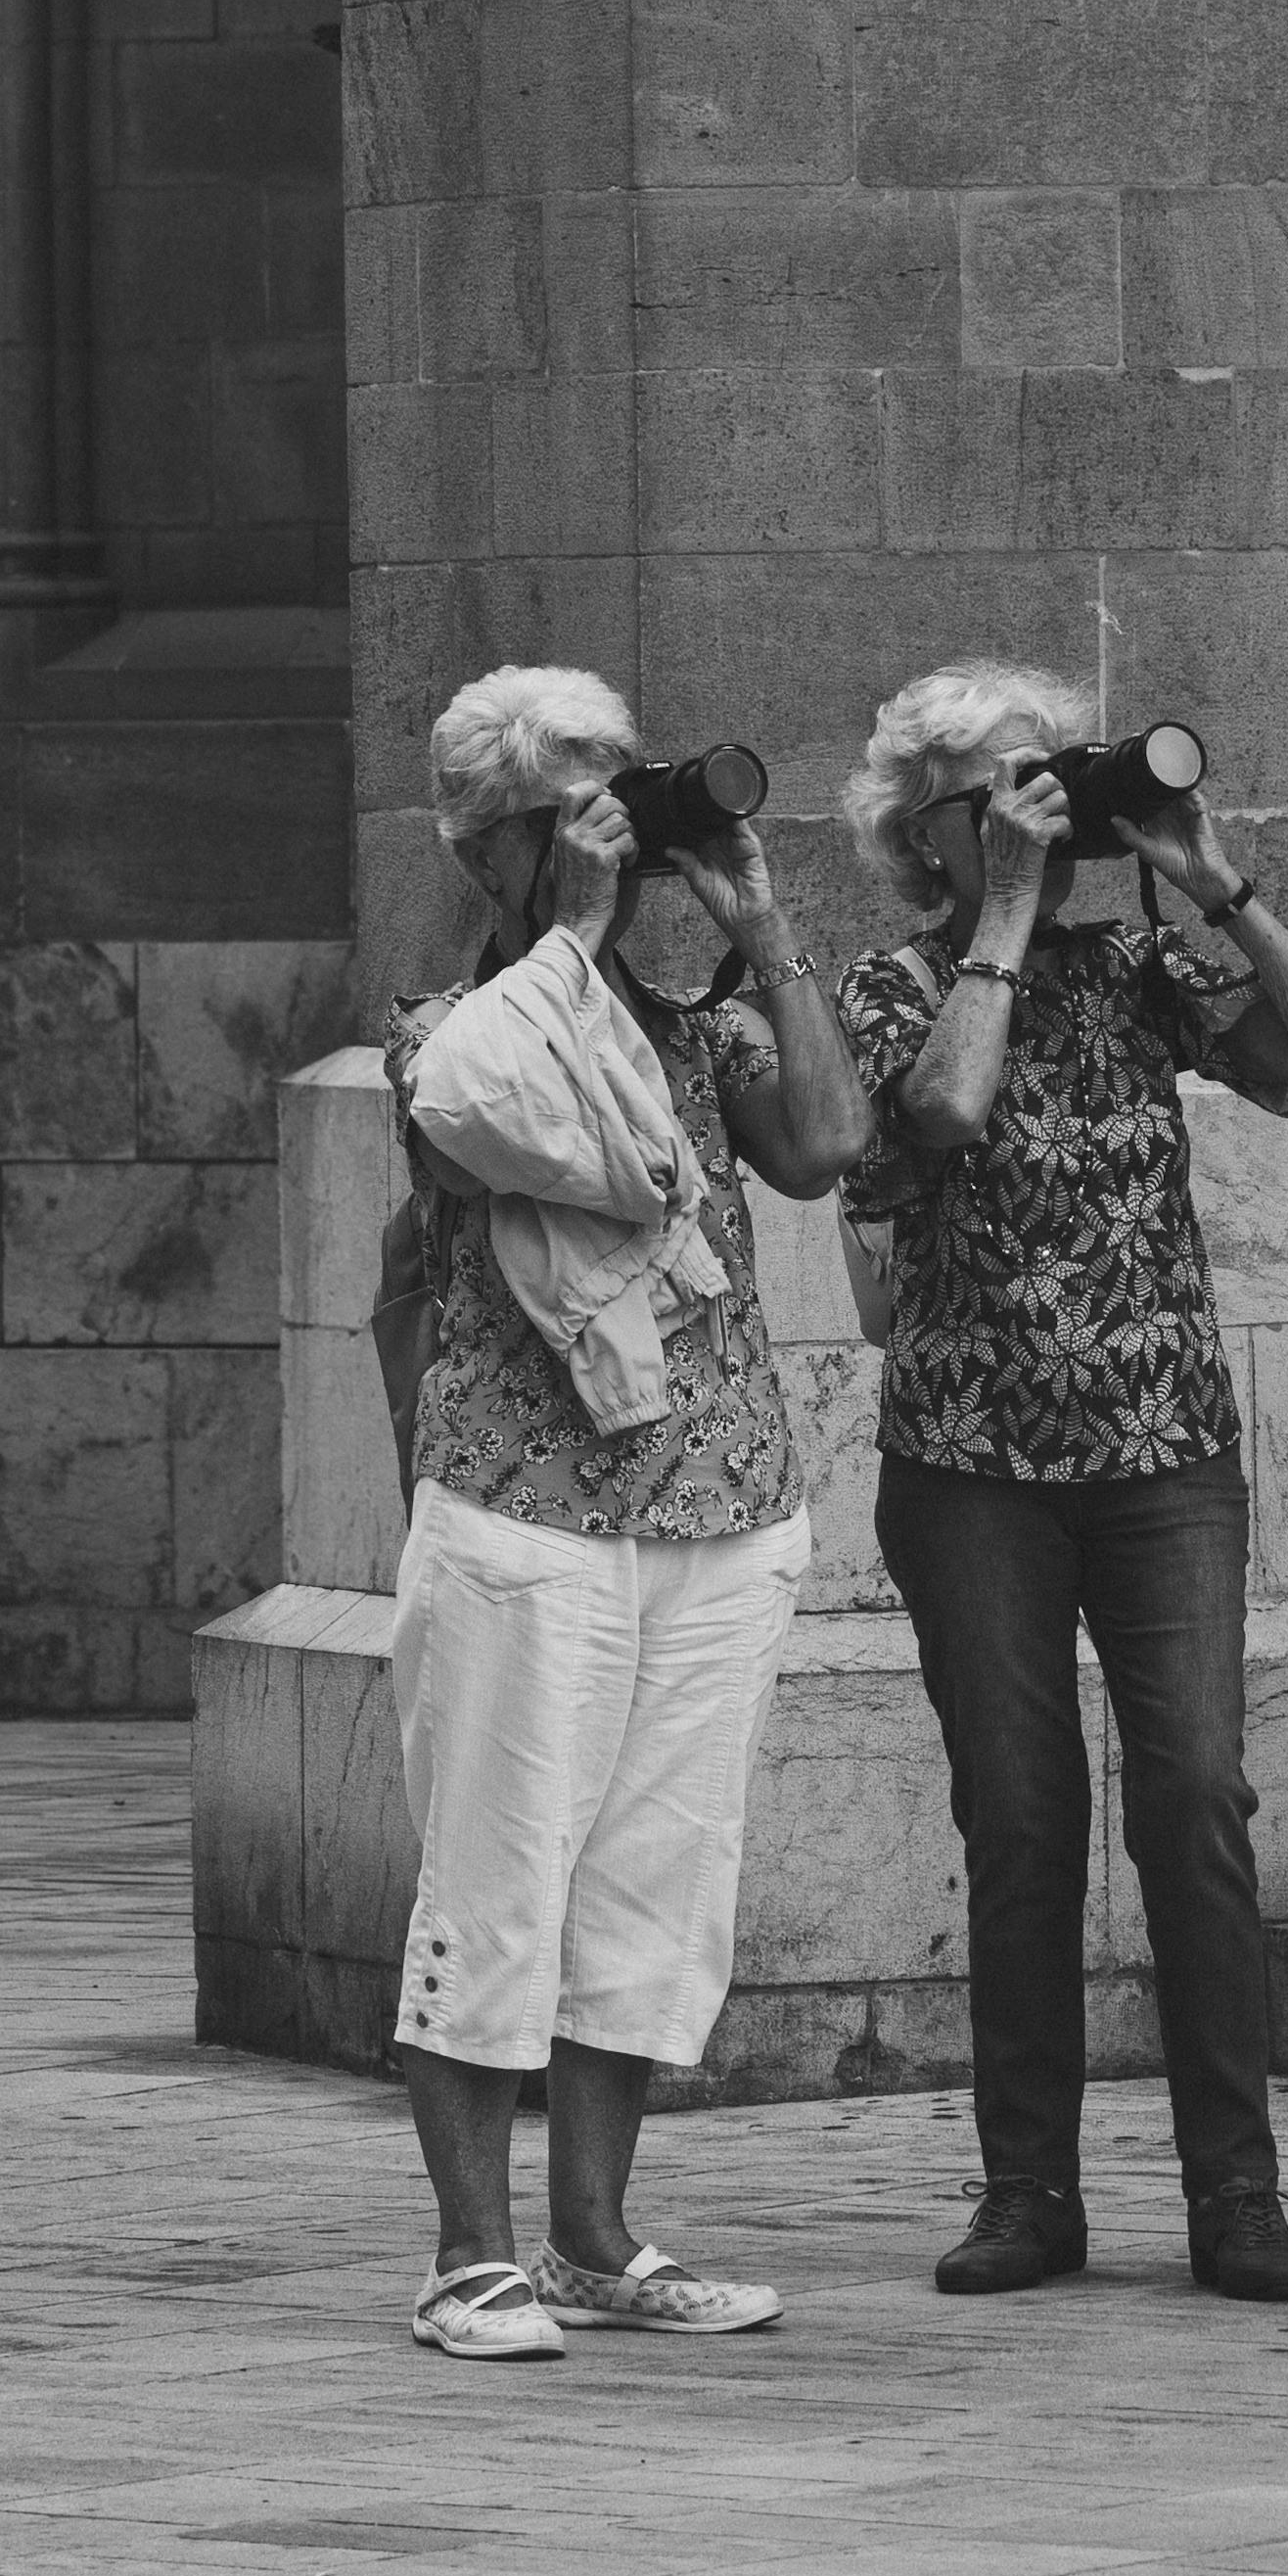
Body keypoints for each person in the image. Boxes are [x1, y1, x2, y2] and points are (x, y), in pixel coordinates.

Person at [833, 664, 1288, 2306]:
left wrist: (1214, 873)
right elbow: (941, 1110)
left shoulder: (1139, 965)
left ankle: (1237, 2194)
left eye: (1048, 779)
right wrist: (997, 912)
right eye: (1001, 789)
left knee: (1199, 1801)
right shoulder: (886, 986)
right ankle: (1029, 2192)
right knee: (1024, 1820)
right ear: (929, 825)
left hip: (1164, 1455)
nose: (1042, 812)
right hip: (971, 1468)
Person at [382, 664, 871, 2360]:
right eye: (576, 812)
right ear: (495, 849)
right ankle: (470, 2252)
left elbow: (827, 1140)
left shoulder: (686, 1021)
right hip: (528, 1520)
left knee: (658, 1893)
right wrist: (575, 929)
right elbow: (483, 1115)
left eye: (622, 799)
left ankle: (593, 2236)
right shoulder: (459, 1029)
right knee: (500, 1878)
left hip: (720, 1509)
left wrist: (759, 918)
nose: (616, 838)